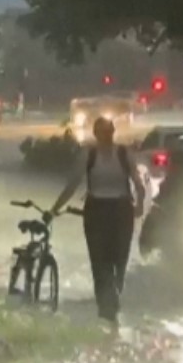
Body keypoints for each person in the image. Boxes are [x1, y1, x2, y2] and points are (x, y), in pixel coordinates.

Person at [51, 117, 147, 327]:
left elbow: (139, 184)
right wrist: (54, 209)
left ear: (113, 132)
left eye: (108, 131)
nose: (105, 135)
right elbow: (73, 184)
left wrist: (139, 205)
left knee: (119, 259)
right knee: (99, 260)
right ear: (96, 134)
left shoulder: (123, 154)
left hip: (121, 210)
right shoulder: (89, 154)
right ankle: (105, 308)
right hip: (96, 210)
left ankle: (113, 297)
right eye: (101, 132)